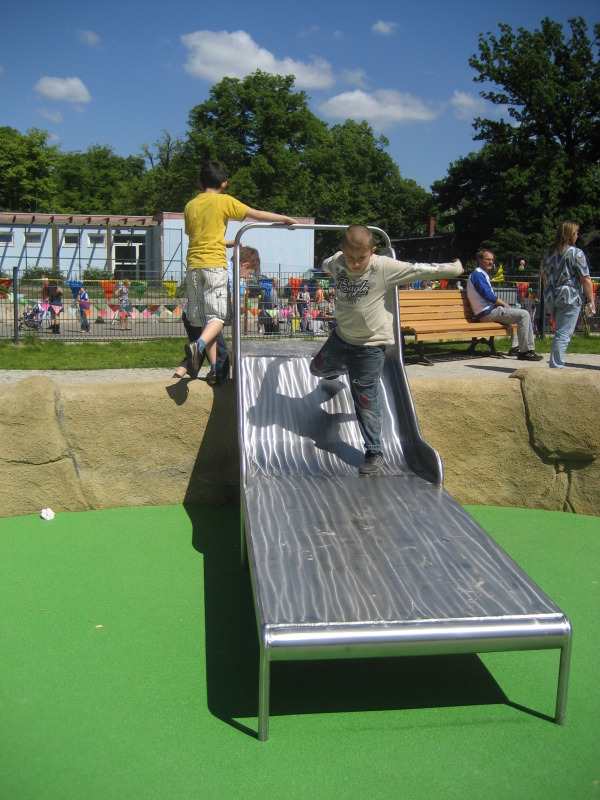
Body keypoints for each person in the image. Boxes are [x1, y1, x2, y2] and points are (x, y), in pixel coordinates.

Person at [309, 224, 463, 476]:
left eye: (362, 258)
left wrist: (455, 268)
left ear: (373, 250)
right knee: (317, 368)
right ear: (342, 250)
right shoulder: (337, 262)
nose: (355, 264)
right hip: (341, 338)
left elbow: (418, 270)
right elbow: (326, 263)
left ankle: (374, 451)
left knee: (365, 398)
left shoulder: (382, 267)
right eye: (350, 258)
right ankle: (339, 368)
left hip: (370, 347)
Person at [183, 161, 297, 385]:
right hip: (214, 266)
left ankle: (215, 369)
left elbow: (197, 235)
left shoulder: (190, 205)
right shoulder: (224, 201)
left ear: (199, 183)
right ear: (224, 184)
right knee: (217, 318)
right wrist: (284, 219)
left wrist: (226, 242)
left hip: (193, 266)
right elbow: (255, 214)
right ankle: (199, 346)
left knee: (206, 321)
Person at [172, 245, 261, 381]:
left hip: (189, 313)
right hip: (205, 317)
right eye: (249, 273)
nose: (246, 277)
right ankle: (220, 386)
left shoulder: (221, 263)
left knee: (196, 355)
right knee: (222, 356)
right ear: (245, 265)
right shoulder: (228, 274)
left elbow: (212, 242)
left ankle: (176, 378)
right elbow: (228, 305)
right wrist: (242, 310)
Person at [466, 249, 542, 361]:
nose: (491, 262)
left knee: (518, 313)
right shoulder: (478, 275)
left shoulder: (481, 274)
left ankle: (516, 347)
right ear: (480, 260)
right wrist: (505, 304)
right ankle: (526, 351)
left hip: (488, 311)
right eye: (488, 259)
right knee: (524, 314)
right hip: (487, 313)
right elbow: (489, 296)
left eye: (492, 260)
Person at [541, 220, 596, 369]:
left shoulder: (548, 252)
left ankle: (555, 365)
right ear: (570, 234)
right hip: (569, 297)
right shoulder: (576, 253)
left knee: (559, 332)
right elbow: (585, 278)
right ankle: (556, 367)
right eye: (576, 233)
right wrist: (592, 301)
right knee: (563, 335)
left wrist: (547, 295)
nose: (577, 236)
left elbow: (544, 276)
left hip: (551, 296)